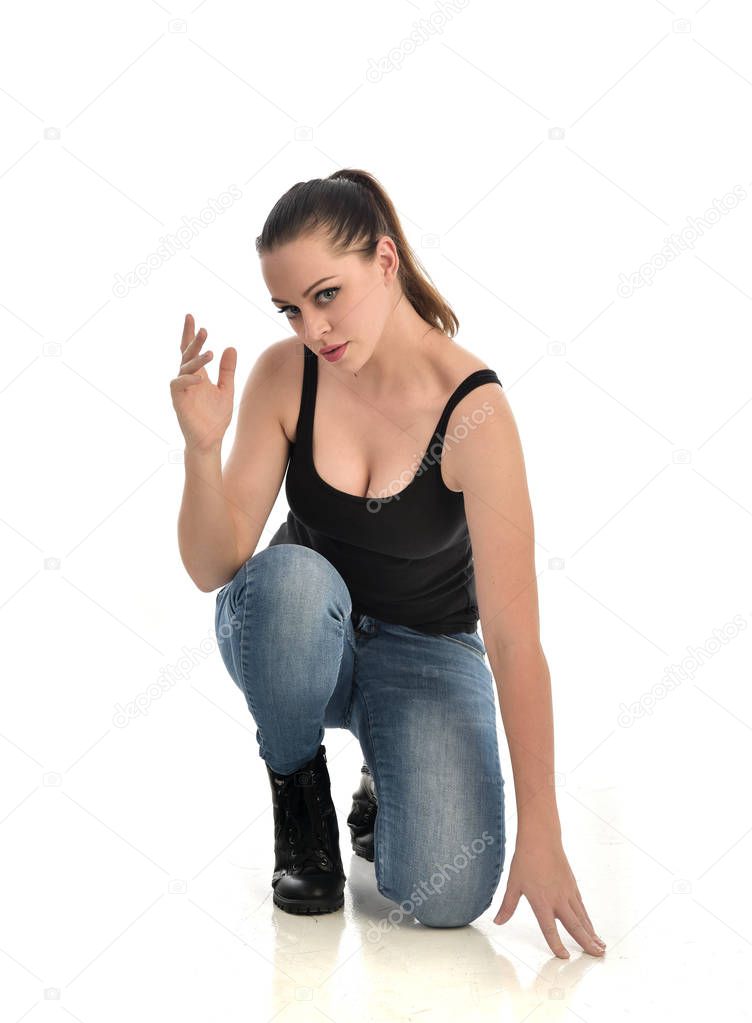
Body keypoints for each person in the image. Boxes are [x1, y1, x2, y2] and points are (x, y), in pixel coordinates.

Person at [170, 168, 606, 956]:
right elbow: (216, 564)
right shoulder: (286, 375)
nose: (313, 329)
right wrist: (202, 452)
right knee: (289, 582)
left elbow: (513, 640)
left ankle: (384, 777)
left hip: (426, 645)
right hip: (300, 637)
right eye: (291, 308)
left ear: (384, 260)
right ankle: (297, 790)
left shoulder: (474, 413)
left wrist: (543, 830)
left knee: (445, 895)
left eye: (327, 295)